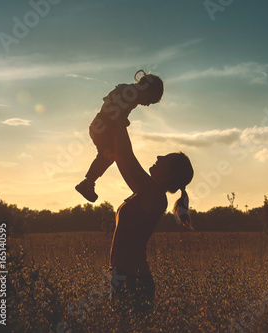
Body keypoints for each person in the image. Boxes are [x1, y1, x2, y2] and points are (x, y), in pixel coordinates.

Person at [109, 115, 194, 308]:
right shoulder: (145, 192)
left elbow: (128, 156)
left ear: (170, 174)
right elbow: (120, 156)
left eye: (165, 159)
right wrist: (114, 128)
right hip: (122, 276)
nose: (158, 157)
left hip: (134, 279)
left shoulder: (154, 195)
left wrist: (120, 121)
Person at [76, 70, 164, 202]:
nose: (147, 104)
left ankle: (89, 183)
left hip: (102, 126)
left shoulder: (129, 93)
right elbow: (112, 107)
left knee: (111, 155)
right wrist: (119, 121)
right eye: (149, 100)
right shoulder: (128, 93)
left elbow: (116, 110)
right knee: (109, 154)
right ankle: (87, 183)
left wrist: (121, 120)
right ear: (145, 90)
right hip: (102, 127)